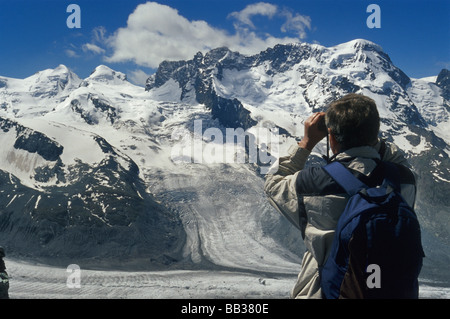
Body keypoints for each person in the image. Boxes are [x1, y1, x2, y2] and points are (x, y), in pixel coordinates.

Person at [264, 93, 416, 298]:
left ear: (332, 137)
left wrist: (307, 142)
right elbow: (396, 157)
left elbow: (273, 182)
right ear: (375, 133)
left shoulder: (311, 184)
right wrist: (370, 137)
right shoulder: (403, 180)